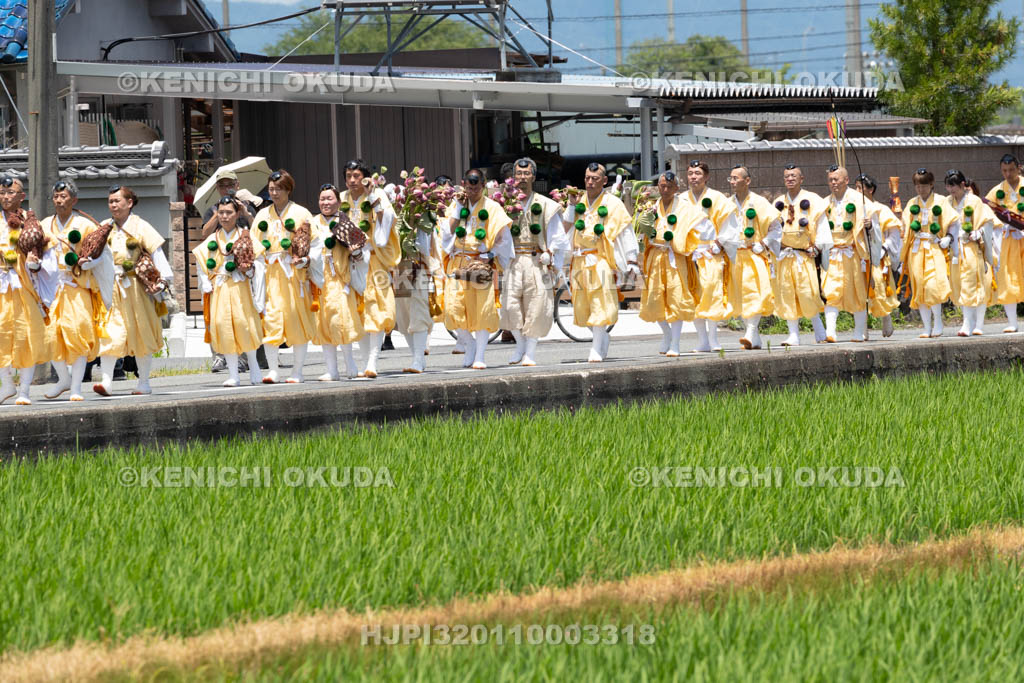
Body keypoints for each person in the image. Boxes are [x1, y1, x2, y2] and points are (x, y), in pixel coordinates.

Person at [93, 185, 173, 396]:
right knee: (109, 333)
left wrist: (163, 280)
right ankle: (107, 381)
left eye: (117, 200)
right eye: (110, 201)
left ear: (129, 203)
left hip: (137, 287)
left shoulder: (141, 226)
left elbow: (157, 253)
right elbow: (93, 253)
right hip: (111, 286)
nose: (113, 205)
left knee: (142, 332)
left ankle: (143, 382)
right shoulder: (103, 227)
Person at [40, 180, 113, 401]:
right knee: (49, 335)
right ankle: (63, 378)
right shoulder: (45, 225)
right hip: (52, 287)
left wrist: (90, 262)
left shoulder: (85, 225)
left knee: (79, 333)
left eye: (64, 196)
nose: (59, 200)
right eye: (56, 196)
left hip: (78, 285)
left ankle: (76, 387)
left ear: (74, 200)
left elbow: (101, 252)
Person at [560, 162, 639, 362]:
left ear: (604, 181)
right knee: (581, 305)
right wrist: (570, 204)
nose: (590, 182)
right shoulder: (579, 202)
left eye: (595, 179)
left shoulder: (613, 204)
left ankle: (596, 347)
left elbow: (625, 232)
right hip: (579, 259)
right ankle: (602, 336)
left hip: (600, 258)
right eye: (587, 178)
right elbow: (564, 229)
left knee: (599, 301)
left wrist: (632, 260)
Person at [441, 168, 513, 369]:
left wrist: (489, 256)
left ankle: (480, 354)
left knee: (483, 309)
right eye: (468, 186)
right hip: (458, 262)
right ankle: (469, 344)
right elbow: (447, 232)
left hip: (481, 264)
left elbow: (504, 239)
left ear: (483, 185)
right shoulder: (456, 205)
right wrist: (457, 206)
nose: (472, 191)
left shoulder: (492, 207)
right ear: (463, 184)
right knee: (452, 308)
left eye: (476, 187)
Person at [192, 196, 266, 387]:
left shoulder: (246, 236)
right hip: (221, 287)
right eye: (221, 212)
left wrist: (249, 270)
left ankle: (253, 364)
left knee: (244, 324)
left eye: (229, 212)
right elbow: (201, 261)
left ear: (237, 214)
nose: (224, 217)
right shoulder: (213, 238)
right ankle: (233, 373)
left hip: (241, 288)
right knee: (223, 327)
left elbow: (259, 263)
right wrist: (204, 281)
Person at [499, 157, 567, 366]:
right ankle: (519, 344)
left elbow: (558, 236)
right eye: (518, 174)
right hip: (514, 261)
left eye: (526, 173)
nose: (521, 178)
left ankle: (530, 351)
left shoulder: (546, 204)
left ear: (533, 176)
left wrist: (550, 252)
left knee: (537, 306)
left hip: (538, 261)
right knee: (510, 306)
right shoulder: (505, 204)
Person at [251, 170, 317, 383]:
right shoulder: (262, 215)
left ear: (288, 189)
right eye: (271, 189)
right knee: (271, 319)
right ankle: (273, 370)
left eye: (279, 188)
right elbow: (254, 243)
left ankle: (297, 371)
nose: (275, 193)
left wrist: (305, 259)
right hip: (270, 273)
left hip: (293, 274)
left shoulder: (301, 213)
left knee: (296, 319)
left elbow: (315, 243)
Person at [339, 159, 399, 378]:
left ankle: (373, 360)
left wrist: (373, 196)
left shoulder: (376, 194)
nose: (352, 180)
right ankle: (365, 362)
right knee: (357, 311)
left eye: (356, 176)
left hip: (373, 258)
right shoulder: (341, 199)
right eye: (348, 176)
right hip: (349, 260)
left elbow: (387, 222)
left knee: (376, 308)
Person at [199, 168, 260, 373]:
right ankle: (218, 355)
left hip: (243, 270)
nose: (227, 189)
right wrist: (220, 212)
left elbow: (258, 232)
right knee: (217, 315)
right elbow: (205, 234)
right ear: (217, 188)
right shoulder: (213, 210)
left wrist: (244, 212)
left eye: (230, 185)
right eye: (222, 185)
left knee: (242, 314)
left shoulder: (246, 207)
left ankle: (245, 356)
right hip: (218, 269)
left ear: (237, 185)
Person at [0, 177, 55, 405]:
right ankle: (7, 385)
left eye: (10, 192)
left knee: (26, 336)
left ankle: (24, 390)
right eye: (2, 192)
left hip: (24, 285)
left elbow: (47, 256)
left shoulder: (29, 222)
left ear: (21, 196)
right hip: (2, 284)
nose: (5, 196)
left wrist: (34, 263)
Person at [637, 171, 704, 356]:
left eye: (668, 186)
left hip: (676, 258)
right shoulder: (650, 207)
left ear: (676, 188)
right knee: (655, 299)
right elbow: (642, 232)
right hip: (655, 257)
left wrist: (677, 241)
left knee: (676, 298)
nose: (664, 189)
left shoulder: (685, 208)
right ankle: (666, 333)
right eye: (661, 186)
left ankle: (675, 342)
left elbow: (696, 231)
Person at [679, 160, 739, 352]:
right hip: (689, 253)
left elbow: (730, 225)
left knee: (712, 293)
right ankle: (702, 340)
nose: (693, 177)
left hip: (711, 252)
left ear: (706, 177)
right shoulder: (681, 199)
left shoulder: (718, 198)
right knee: (694, 297)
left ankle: (713, 339)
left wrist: (719, 243)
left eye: (697, 173)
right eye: (690, 173)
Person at [819, 166, 881, 343]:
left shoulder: (859, 199)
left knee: (857, 293)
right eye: (830, 180)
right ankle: (831, 332)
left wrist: (869, 226)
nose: (833, 183)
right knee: (830, 291)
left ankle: (859, 331)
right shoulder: (825, 202)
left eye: (836, 179)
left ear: (846, 180)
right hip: (833, 253)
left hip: (853, 253)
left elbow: (874, 223)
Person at [311, 183, 366, 379]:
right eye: (322, 199)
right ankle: (331, 370)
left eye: (329, 199)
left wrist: (356, 252)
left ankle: (350, 363)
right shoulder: (312, 223)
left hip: (340, 278)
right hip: (319, 279)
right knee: (323, 324)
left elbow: (361, 252)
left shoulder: (346, 222)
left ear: (338, 202)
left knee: (342, 320)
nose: (325, 202)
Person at [772, 164, 829, 346]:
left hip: (804, 255)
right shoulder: (779, 201)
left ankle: (819, 330)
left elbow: (822, 225)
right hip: (785, 255)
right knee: (787, 293)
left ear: (801, 179)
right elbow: (772, 228)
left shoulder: (813, 199)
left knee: (807, 292)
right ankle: (793, 334)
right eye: (787, 176)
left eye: (793, 176)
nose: (790, 179)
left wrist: (818, 247)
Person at [727, 165, 781, 350]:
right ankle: (754, 337)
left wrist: (763, 243)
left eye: (736, 178)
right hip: (735, 255)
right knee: (739, 295)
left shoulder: (759, 202)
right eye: (731, 179)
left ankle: (750, 332)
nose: (733, 182)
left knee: (755, 292)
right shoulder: (728, 204)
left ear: (747, 180)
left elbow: (776, 228)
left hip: (753, 253)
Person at [899, 168, 955, 339]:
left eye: (923, 185)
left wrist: (949, 238)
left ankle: (938, 322)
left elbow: (953, 221)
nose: (920, 189)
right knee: (920, 287)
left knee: (933, 285)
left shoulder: (941, 201)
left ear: (931, 185)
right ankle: (926, 326)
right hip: (916, 249)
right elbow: (905, 229)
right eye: (917, 185)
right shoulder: (912, 203)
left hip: (934, 246)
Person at [945, 170, 995, 336]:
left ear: (962, 185)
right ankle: (971, 321)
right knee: (958, 285)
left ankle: (967, 324)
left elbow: (986, 223)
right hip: (954, 249)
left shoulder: (974, 201)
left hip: (971, 247)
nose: (952, 190)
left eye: (955, 186)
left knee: (969, 283)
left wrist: (978, 233)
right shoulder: (946, 202)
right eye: (948, 186)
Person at [855, 174, 902, 338]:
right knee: (860, 292)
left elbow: (894, 234)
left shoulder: (882, 209)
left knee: (879, 288)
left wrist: (884, 248)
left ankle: (886, 317)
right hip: (859, 256)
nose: (857, 191)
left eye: (860, 188)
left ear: (870, 190)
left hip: (878, 256)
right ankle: (862, 328)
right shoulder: (854, 209)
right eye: (856, 188)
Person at [985, 154, 1024, 332]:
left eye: (1011, 170)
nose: (1008, 174)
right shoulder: (997, 190)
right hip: (1008, 240)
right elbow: (986, 212)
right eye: (1004, 170)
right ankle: (1012, 322)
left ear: (1019, 168)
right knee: (1007, 278)